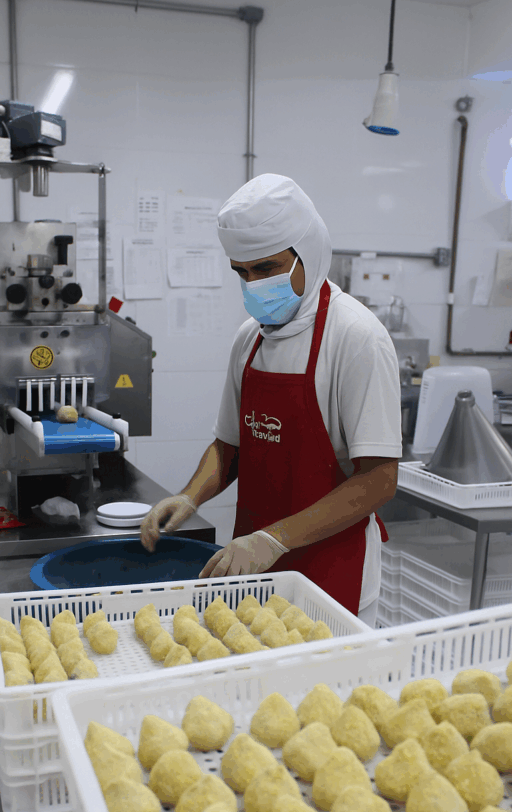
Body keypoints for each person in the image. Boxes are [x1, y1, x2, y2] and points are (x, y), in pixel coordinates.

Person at [140, 174, 401, 625]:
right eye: (241, 273)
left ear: (308, 253)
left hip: (332, 574)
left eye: (266, 269)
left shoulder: (356, 338)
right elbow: (229, 447)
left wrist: (273, 539)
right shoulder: (250, 339)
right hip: (252, 570)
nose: (253, 285)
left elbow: (379, 479)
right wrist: (189, 496)